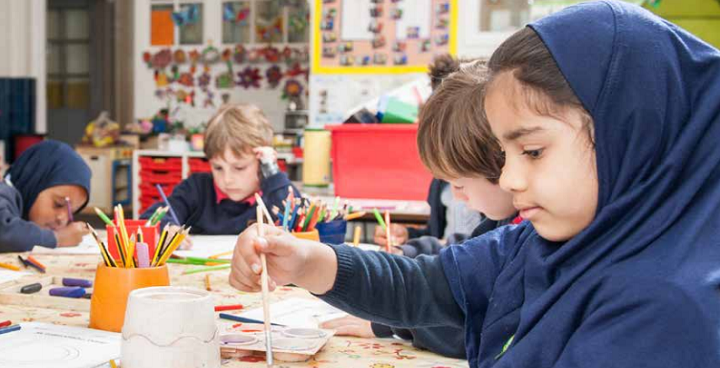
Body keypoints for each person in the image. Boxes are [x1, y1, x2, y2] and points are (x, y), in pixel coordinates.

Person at [230, 2, 720, 366]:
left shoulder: (663, 314)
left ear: (633, 132)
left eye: (531, 151)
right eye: (506, 155)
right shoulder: (543, 241)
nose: (507, 177)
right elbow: (424, 285)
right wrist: (304, 260)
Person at [140, 103, 299, 236]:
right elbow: (151, 218)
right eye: (218, 167)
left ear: (261, 160)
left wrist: (272, 173)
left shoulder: (273, 192)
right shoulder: (196, 189)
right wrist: (167, 229)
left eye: (239, 167)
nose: (227, 179)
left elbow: (298, 221)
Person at [0, 140, 91, 252]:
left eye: (71, 212)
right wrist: (58, 238)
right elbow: (4, 232)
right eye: (58, 204)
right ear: (33, 181)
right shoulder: (3, 192)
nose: (62, 219)